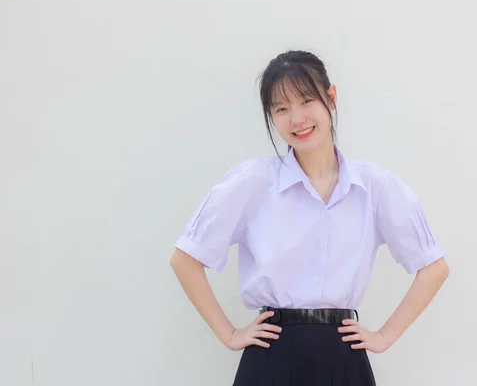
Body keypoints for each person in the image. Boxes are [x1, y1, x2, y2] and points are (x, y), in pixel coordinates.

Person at [170, 50, 450, 385]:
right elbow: (185, 258)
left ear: (331, 98)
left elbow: (434, 266)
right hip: (272, 356)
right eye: (282, 109)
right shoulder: (252, 182)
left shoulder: (375, 186)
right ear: (271, 117)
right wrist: (230, 334)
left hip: (343, 356)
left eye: (306, 101)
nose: (297, 119)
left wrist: (384, 337)